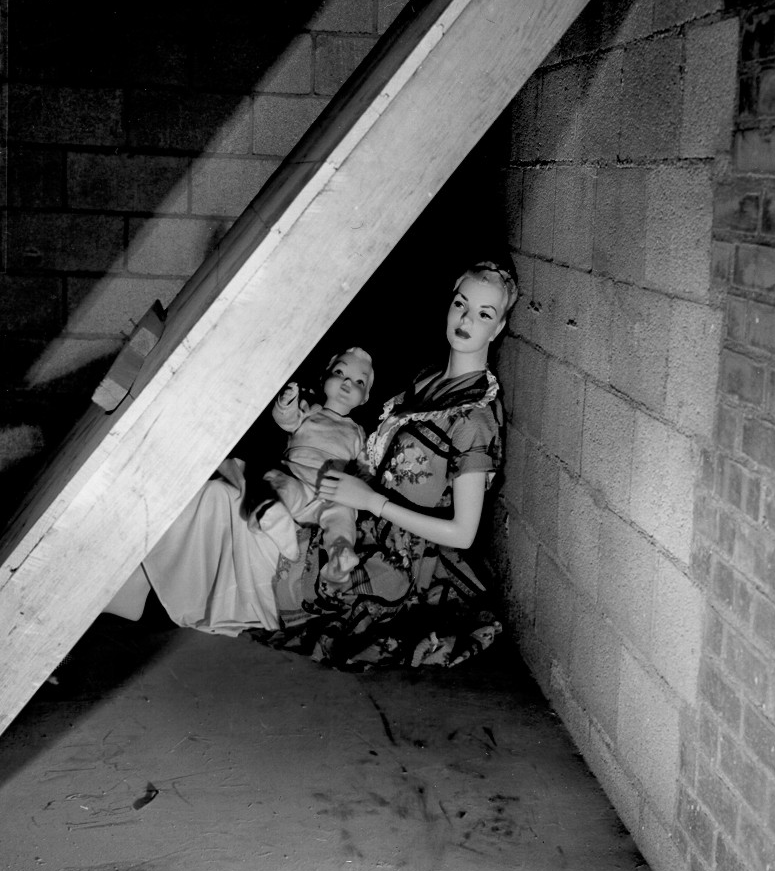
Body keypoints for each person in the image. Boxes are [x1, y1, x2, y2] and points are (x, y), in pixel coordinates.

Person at [104, 259, 516, 669]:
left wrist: (371, 502)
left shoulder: (475, 417)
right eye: (461, 304)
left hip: (392, 553)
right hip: (348, 504)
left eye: (484, 314)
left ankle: (157, 598)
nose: (466, 320)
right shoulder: (427, 381)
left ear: (497, 328)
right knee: (217, 494)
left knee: (243, 523)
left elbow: (462, 534)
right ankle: (139, 584)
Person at [256, 347, 373, 583]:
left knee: (343, 512)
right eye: (340, 372)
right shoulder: (311, 411)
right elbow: (286, 420)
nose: (348, 382)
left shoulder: (358, 432)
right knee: (276, 482)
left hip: (329, 493)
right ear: (324, 376)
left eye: (359, 381)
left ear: (365, 397)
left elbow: (365, 468)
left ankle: (339, 556)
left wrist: (365, 486)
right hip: (296, 477)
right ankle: (275, 519)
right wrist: (286, 402)